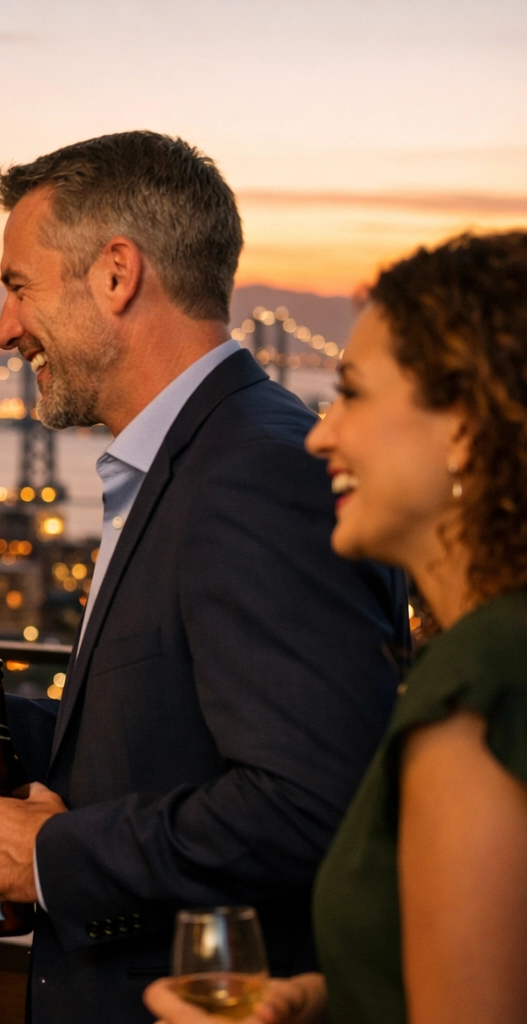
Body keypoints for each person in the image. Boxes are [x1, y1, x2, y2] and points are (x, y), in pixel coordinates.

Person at [0, 131, 409, 1023]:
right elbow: (178, 736)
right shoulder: (189, 460)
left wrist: (55, 857)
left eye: (19, 286)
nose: (3, 329)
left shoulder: (254, 473)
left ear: (116, 274)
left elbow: (316, 801)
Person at [145, 233, 527, 1023]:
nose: (319, 433)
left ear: (461, 424)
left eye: (351, 392)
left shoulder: (476, 691)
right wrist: (331, 998)